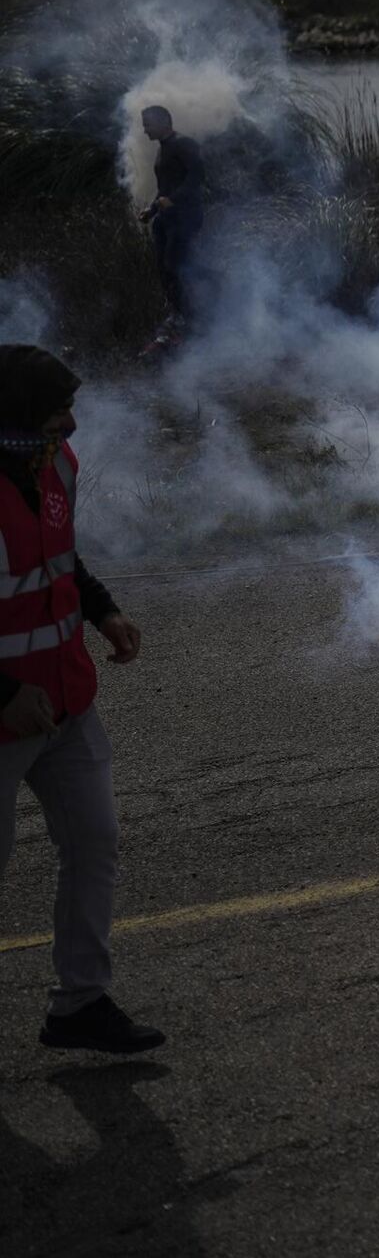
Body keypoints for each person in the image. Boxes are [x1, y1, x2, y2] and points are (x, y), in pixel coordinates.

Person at [0, 345, 164, 1055]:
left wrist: (103, 610)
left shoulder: (55, 463)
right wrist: (5, 695)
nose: (70, 424)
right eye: (56, 411)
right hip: (6, 715)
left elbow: (59, 556)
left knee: (94, 841)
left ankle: (81, 1004)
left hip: (65, 699)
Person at [138, 105, 206, 333]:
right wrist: (151, 210)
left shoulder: (183, 143)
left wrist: (174, 200)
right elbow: (164, 189)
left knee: (175, 266)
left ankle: (191, 317)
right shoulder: (162, 149)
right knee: (163, 269)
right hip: (165, 218)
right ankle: (178, 315)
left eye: (147, 124)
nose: (144, 130)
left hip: (185, 216)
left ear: (163, 122)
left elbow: (197, 175)